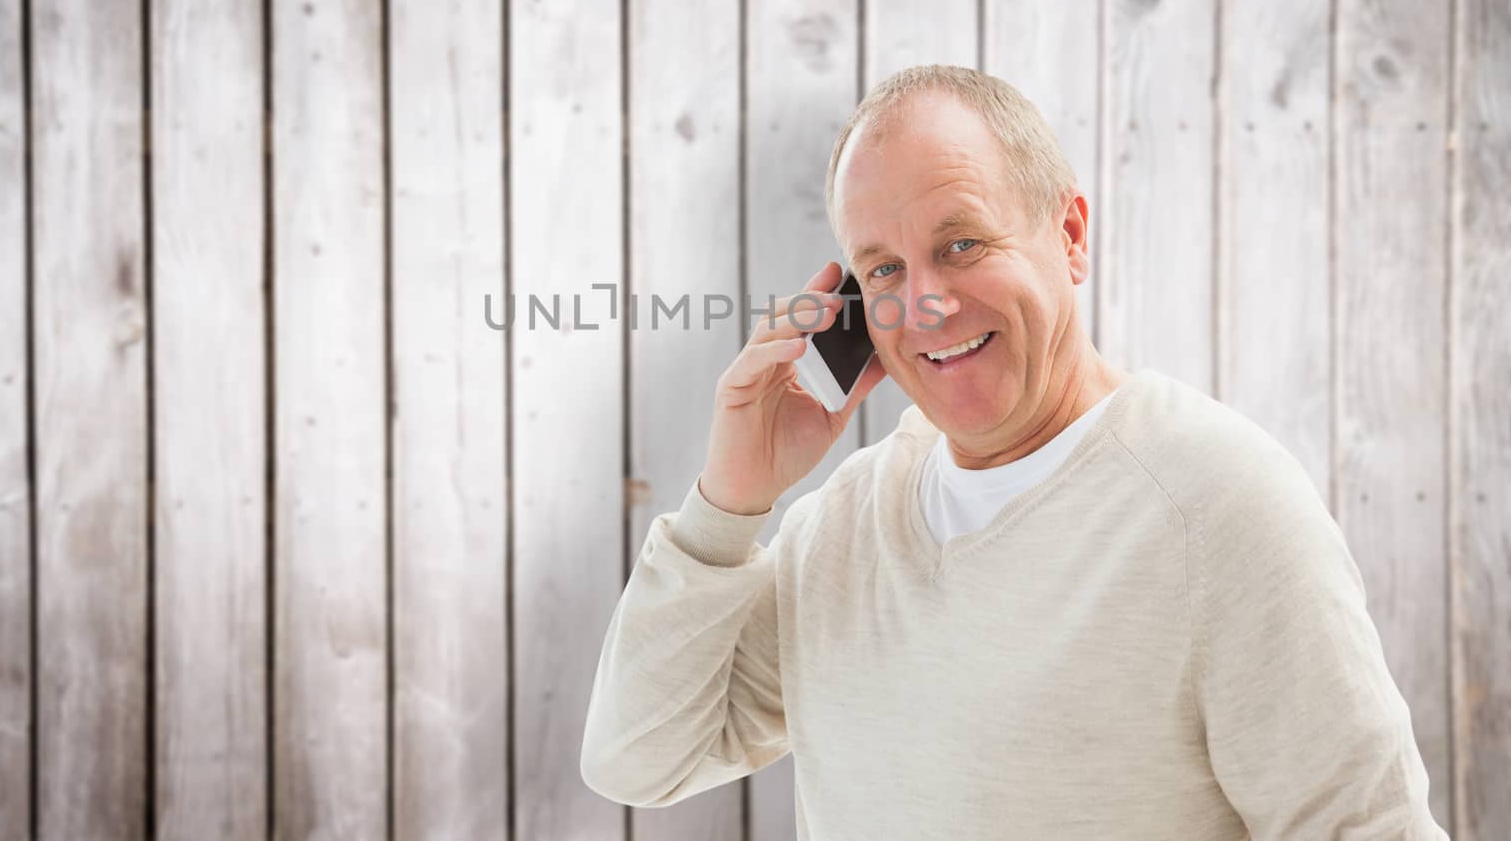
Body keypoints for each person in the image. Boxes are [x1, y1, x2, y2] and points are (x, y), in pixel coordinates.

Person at [579, 65, 1446, 839]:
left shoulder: (1218, 506)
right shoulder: (842, 527)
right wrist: (726, 506)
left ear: (1069, 234)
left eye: (962, 244)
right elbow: (638, 762)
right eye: (882, 270)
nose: (925, 303)